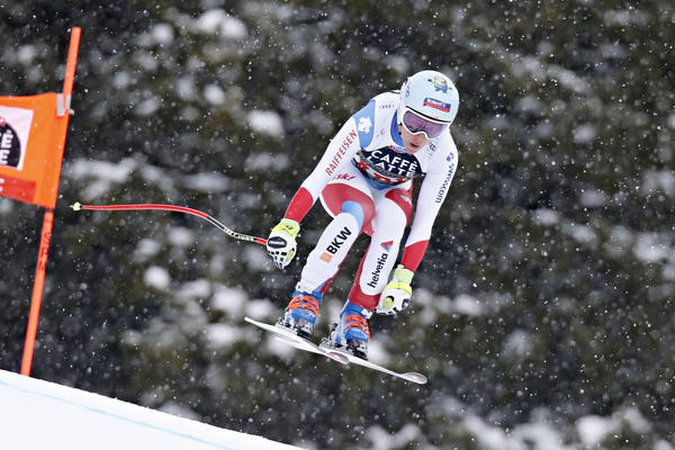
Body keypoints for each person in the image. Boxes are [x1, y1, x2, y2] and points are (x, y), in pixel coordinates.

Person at [265, 70, 460, 359]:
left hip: (391, 191)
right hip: (347, 178)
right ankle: (304, 299)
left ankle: (355, 317)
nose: (420, 136)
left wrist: (403, 278)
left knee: (394, 224)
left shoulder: (444, 152)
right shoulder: (375, 117)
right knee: (356, 213)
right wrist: (288, 225)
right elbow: (321, 175)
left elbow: (424, 223)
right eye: (414, 122)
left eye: (434, 129)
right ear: (401, 108)